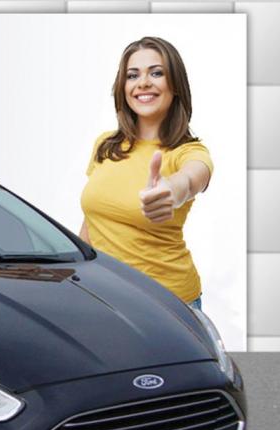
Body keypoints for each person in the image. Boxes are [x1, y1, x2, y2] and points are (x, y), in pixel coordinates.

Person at [80, 36, 212, 310]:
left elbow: (191, 178)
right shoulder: (106, 145)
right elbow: (91, 224)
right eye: (132, 75)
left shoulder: (188, 152)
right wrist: (76, 276)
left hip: (168, 303)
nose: (143, 83)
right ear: (123, 87)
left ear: (175, 85)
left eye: (156, 73)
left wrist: (172, 190)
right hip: (107, 297)